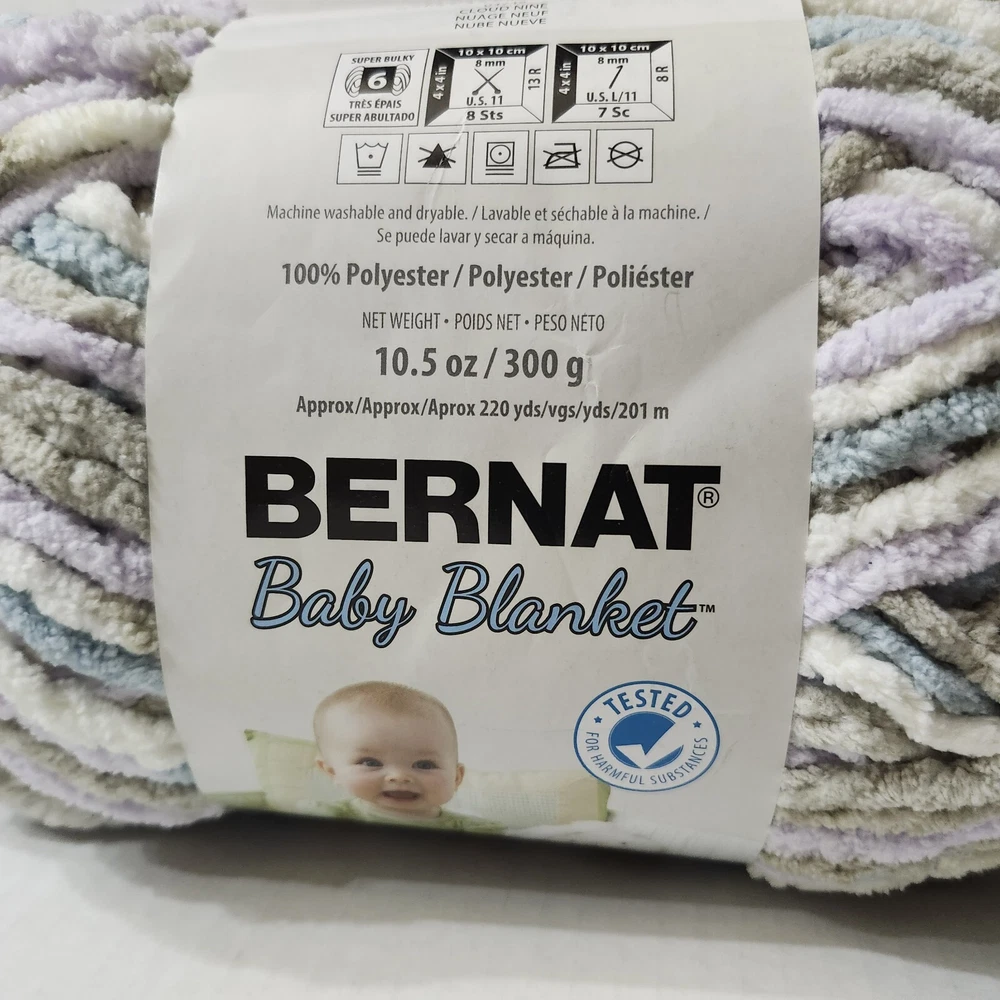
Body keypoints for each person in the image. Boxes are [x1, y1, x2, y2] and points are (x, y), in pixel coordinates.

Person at [311, 680, 503, 834]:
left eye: (425, 765)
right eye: (371, 762)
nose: (399, 776)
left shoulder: (478, 832)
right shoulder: (322, 819)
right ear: (332, 771)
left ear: (456, 777)